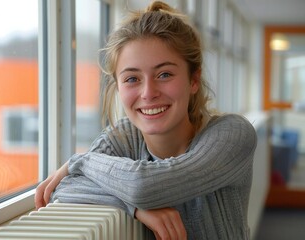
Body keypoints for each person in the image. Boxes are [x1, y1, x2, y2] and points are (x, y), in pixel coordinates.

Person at [35, 1, 257, 239]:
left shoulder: (232, 134)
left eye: (164, 74)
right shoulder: (122, 138)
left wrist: (80, 161)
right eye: (132, 78)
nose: (148, 93)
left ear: (193, 80)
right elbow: (63, 187)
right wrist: (136, 208)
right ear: (118, 87)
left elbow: (144, 186)